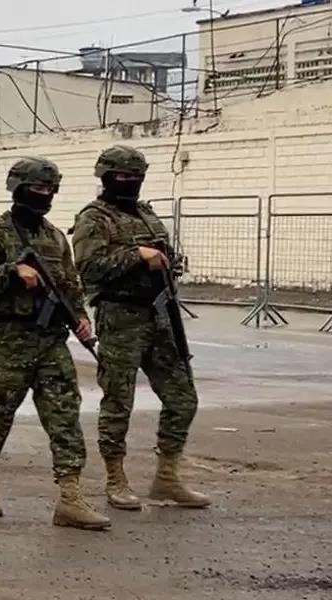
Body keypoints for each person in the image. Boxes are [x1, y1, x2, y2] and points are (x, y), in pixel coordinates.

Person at [0, 157, 110, 531]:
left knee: (65, 417)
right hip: (9, 341)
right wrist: (12, 272)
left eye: (49, 189)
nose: (44, 195)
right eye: (37, 188)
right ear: (17, 188)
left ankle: (70, 497)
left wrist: (80, 316)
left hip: (51, 341)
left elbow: (70, 284)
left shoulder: (55, 237)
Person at [71, 145, 211, 511]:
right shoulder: (93, 218)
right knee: (119, 402)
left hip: (160, 317)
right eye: (123, 176)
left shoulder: (146, 214)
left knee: (183, 398)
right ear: (106, 177)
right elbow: (89, 267)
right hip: (120, 319)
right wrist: (137, 256)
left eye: (136, 177)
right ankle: (115, 477)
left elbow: (164, 253)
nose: (130, 182)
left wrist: (168, 261)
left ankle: (167, 477)